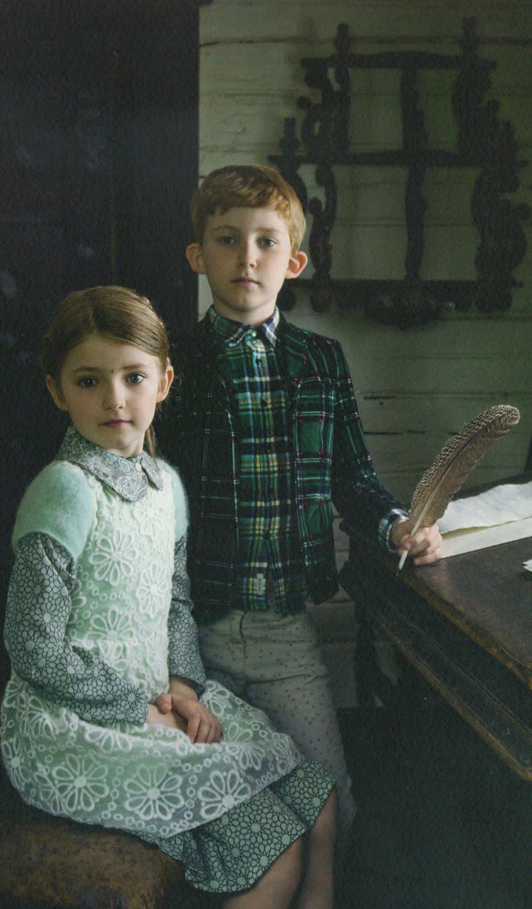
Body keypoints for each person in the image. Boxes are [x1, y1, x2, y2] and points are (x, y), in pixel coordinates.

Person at [0, 285, 339, 908]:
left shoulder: (164, 486)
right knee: (279, 850)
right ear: (57, 390)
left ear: (164, 381)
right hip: (76, 722)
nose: (115, 399)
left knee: (319, 806)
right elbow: (32, 646)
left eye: (133, 377)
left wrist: (182, 687)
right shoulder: (65, 489)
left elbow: (175, 603)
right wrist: (141, 709)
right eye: (89, 381)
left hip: (157, 696)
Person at [156, 164, 443, 842]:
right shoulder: (171, 361)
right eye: (227, 240)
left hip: (286, 630)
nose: (246, 258)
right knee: (213, 810)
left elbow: (353, 476)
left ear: (294, 262)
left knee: (331, 803)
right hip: (192, 631)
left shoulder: (321, 360)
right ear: (198, 256)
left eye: (266, 242)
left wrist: (396, 523)